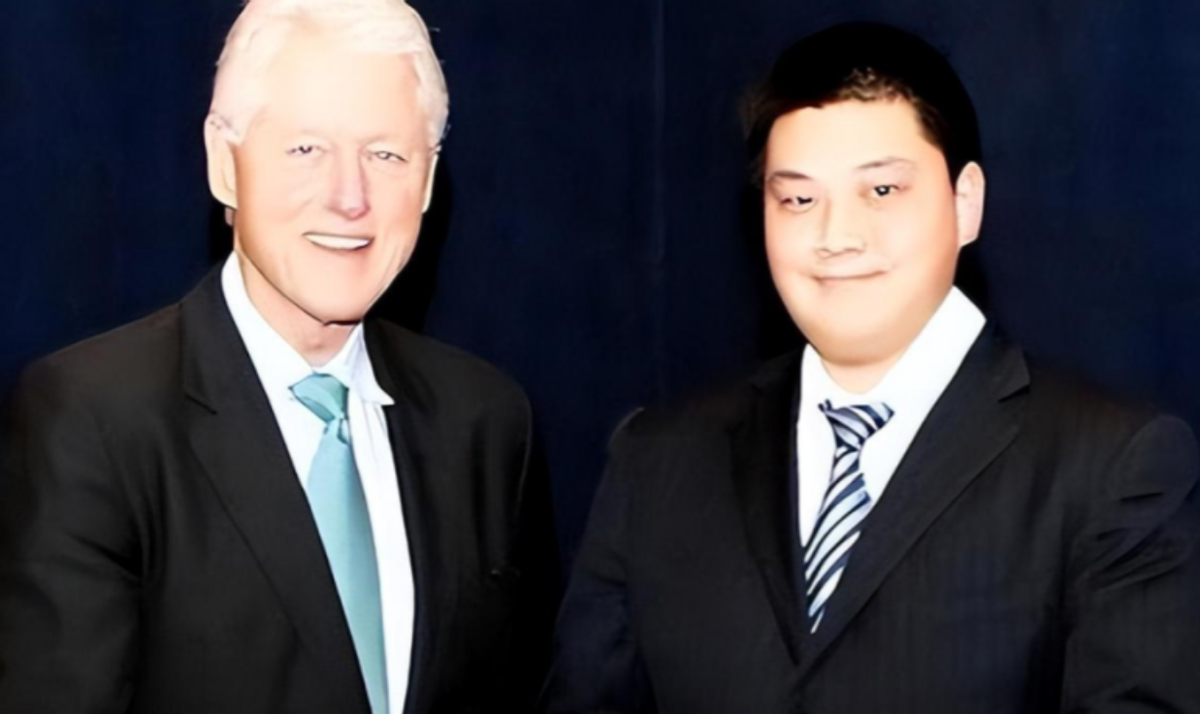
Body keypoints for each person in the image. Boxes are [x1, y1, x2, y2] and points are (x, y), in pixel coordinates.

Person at [542, 22, 1200, 714]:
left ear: (965, 203)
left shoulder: (1113, 465)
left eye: (882, 191)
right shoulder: (658, 459)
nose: (837, 237)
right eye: (799, 200)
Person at [0, 1, 557, 712]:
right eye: (306, 149)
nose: (349, 197)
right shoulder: (94, 421)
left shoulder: (486, 421)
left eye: (386, 154)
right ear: (224, 165)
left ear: (427, 181)